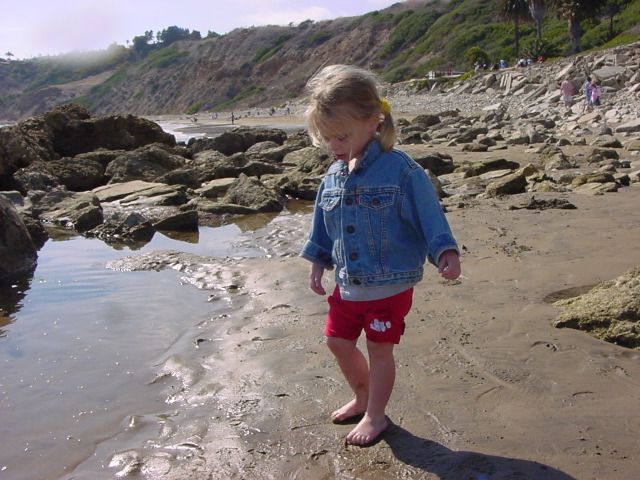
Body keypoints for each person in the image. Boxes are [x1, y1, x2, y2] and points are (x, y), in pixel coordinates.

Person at [299, 64, 461, 446]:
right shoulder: (333, 177)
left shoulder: (400, 170)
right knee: (337, 342)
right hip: (348, 284)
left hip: (390, 284)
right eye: (326, 139)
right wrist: (317, 263)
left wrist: (445, 250)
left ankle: (376, 415)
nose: (334, 147)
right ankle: (361, 396)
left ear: (374, 121)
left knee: (379, 348)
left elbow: (429, 214)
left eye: (341, 137)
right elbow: (323, 224)